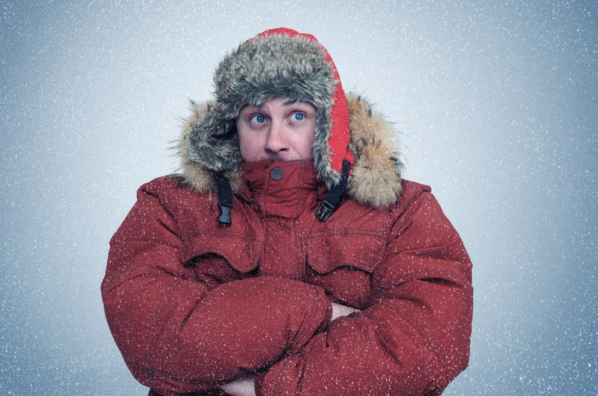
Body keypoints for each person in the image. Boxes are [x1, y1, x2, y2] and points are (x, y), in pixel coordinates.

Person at [101, 28, 473, 396]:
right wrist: (322, 313)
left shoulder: (403, 210)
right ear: (233, 126)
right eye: (258, 118)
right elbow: (152, 337)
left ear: (329, 123)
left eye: (296, 116)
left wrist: (268, 387)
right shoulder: (170, 204)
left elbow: (425, 347)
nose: (275, 141)